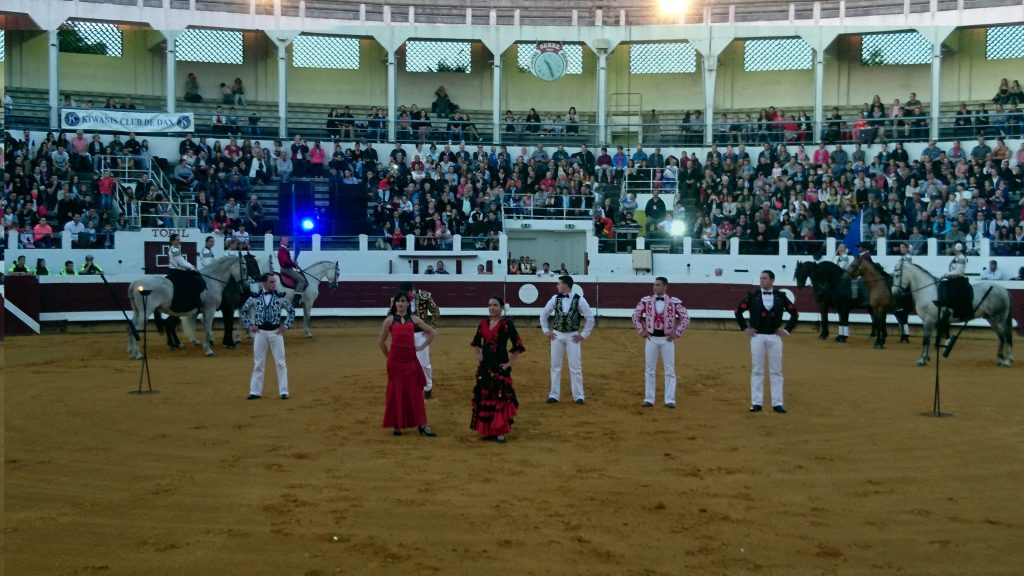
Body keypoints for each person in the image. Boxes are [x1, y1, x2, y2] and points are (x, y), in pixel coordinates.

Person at [734, 270, 799, 414]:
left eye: (764, 278)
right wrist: (745, 328)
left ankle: (777, 403)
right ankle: (756, 403)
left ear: (772, 280)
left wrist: (787, 330)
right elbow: (737, 311)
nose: (761, 281)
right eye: (761, 278)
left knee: (776, 370)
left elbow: (795, 312)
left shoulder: (781, 296)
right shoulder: (753, 296)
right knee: (757, 370)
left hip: (775, 337)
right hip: (757, 336)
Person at [379, 292, 437, 437]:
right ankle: (397, 424)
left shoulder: (414, 319)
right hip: (395, 362)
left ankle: (422, 424)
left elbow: (432, 332)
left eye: (403, 301)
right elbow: (380, 342)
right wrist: (389, 357)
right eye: (398, 301)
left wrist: (421, 347)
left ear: (407, 303)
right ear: (395, 304)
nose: (400, 303)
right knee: (395, 391)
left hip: (410, 360)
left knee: (415, 392)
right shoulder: (389, 320)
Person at [470, 296, 525, 443]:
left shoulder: (507, 324)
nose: (492, 308)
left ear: (501, 308)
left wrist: (509, 363)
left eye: (495, 305)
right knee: (486, 398)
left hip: (500, 366)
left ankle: (500, 431)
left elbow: (518, 345)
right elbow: (476, 342)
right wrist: (479, 355)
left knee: (500, 398)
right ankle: (488, 430)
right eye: (489, 305)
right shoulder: (483, 323)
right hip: (485, 366)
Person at [631, 277, 691, 408]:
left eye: (658, 285)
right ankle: (649, 399)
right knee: (649, 370)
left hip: (667, 340)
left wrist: (677, 333)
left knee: (669, 370)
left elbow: (685, 318)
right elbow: (635, 316)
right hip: (651, 339)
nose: (655, 287)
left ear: (665, 287)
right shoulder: (646, 301)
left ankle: (670, 400)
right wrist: (641, 330)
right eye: (654, 285)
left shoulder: (674, 302)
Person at [540, 275, 595, 405]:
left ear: (566, 285)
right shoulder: (555, 298)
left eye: (559, 284)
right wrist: (546, 331)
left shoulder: (579, 300)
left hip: (572, 336)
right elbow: (544, 314)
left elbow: (590, 318)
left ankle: (578, 396)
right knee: (555, 366)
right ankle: (554, 395)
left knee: (575, 367)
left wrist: (584, 334)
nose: (557, 286)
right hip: (557, 335)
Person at [241, 273, 295, 400]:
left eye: (274, 282)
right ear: (264, 283)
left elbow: (291, 311)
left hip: (276, 333)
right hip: (260, 333)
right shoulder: (255, 297)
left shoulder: (280, 297)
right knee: (258, 363)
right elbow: (243, 310)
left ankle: (283, 391)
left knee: (281, 362)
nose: (274, 284)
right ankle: (255, 391)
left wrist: (286, 326)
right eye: (271, 282)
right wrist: (250, 325)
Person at [399, 281, 440, 399]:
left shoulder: (423, 297)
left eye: (409, 293)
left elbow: (435, 312)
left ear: (413, 290)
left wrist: (429, 328)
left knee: (424, 364)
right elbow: (391, 315)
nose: (407, 296)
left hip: (421, 334)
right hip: (405, 334)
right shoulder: (399, 299)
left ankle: (428, 387)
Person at [277, 236, 306, 307]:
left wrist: (294, 265)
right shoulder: (282, 250)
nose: (287, 241)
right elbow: (285, 262)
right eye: (285, 240)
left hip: (288, 268)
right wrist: (293, 264)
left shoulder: (284, 249)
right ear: (281, 242)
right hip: (286, 269)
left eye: (287, 240)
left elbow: (287, 261)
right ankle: (296, 299)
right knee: (302, 280)